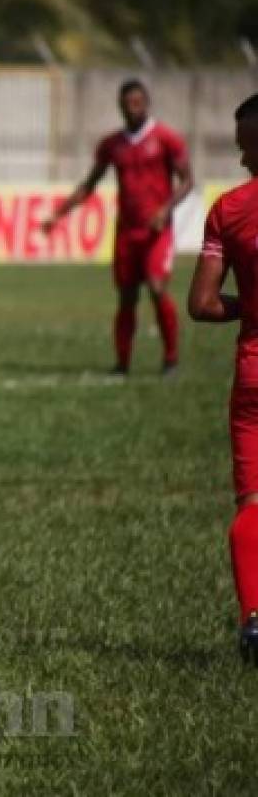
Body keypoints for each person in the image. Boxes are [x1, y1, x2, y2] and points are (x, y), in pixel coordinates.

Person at [44, 79, 193, 375]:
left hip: (156, 231)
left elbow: (187, 181)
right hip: (126, 231)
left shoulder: (166, 138)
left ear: (147, 103)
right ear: (120, 106)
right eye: (127, 104)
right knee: (126, 296)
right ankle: (122, 364)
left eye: (137, 102)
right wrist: (59, 214)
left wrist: (165, 210)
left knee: (156, 287)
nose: (132, 108)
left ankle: (171, 359)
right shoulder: (112, 145)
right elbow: (90, 184)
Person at [187, 92, 258, 664]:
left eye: (244, 147)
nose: (240, 160)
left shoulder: (229, 210)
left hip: (255, 369)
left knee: (252, 503)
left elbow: (203, 304)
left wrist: (252, 309)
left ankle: (254, 621)